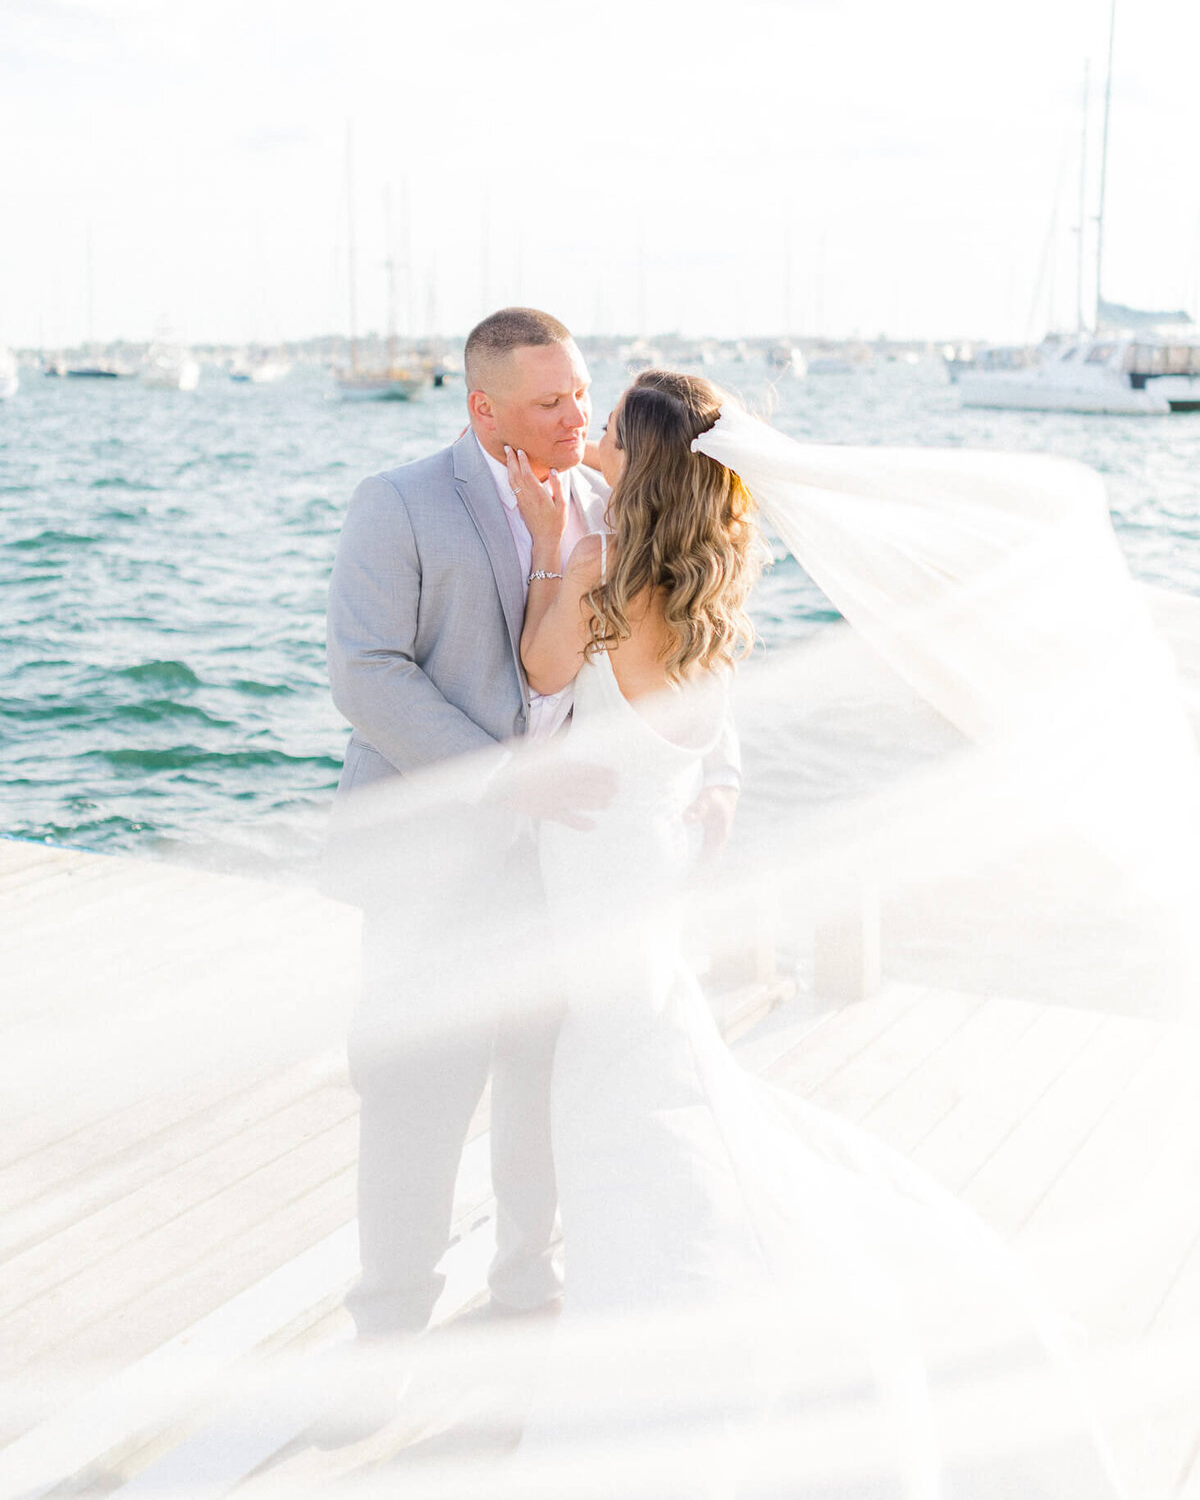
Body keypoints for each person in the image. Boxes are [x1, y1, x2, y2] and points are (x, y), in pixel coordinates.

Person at [497, 368, 1130, 1497]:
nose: (590, 434)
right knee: (644, 1081)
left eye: (612, 432)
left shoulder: (603, 576)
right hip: (637, 871)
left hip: (603, 883)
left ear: (643, 465)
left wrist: (553, 537)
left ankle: (661, 1355)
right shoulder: (700, 598)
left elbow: (540, 664)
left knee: (616, 1099)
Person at [323, 312, 740, 1435]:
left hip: (578, 879)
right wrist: (511, 779)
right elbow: (365, 678)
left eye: (581, 396)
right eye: (549, 403)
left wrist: (717, 778)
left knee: (545, 1099)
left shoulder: (615, 501)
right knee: (412, 1105)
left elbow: (696, 634)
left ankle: (525, 1295)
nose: (572, 419)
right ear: (483, 409)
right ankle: (387, 1349)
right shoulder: (400, 503)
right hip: (438, 868)